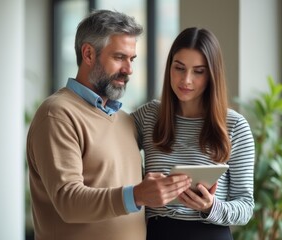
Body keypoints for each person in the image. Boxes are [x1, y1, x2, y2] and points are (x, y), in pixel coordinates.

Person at [26, 10, 191, 240]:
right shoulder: (57, 114)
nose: (128, 69)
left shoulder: (125, 121)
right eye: (119, 57)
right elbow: (68, 201)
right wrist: (136, 196)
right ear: (88, 54)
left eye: (131, 59)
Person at [132, 27, 255, 240]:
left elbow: (245, 207)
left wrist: (210, 206)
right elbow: (110, 141)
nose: (186, 80)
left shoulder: (234, 125)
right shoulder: (149, 116)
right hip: (157, 232)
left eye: (198, 71)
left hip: (209, 233)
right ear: (169, 67)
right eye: (179, 68)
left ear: (211, 75)